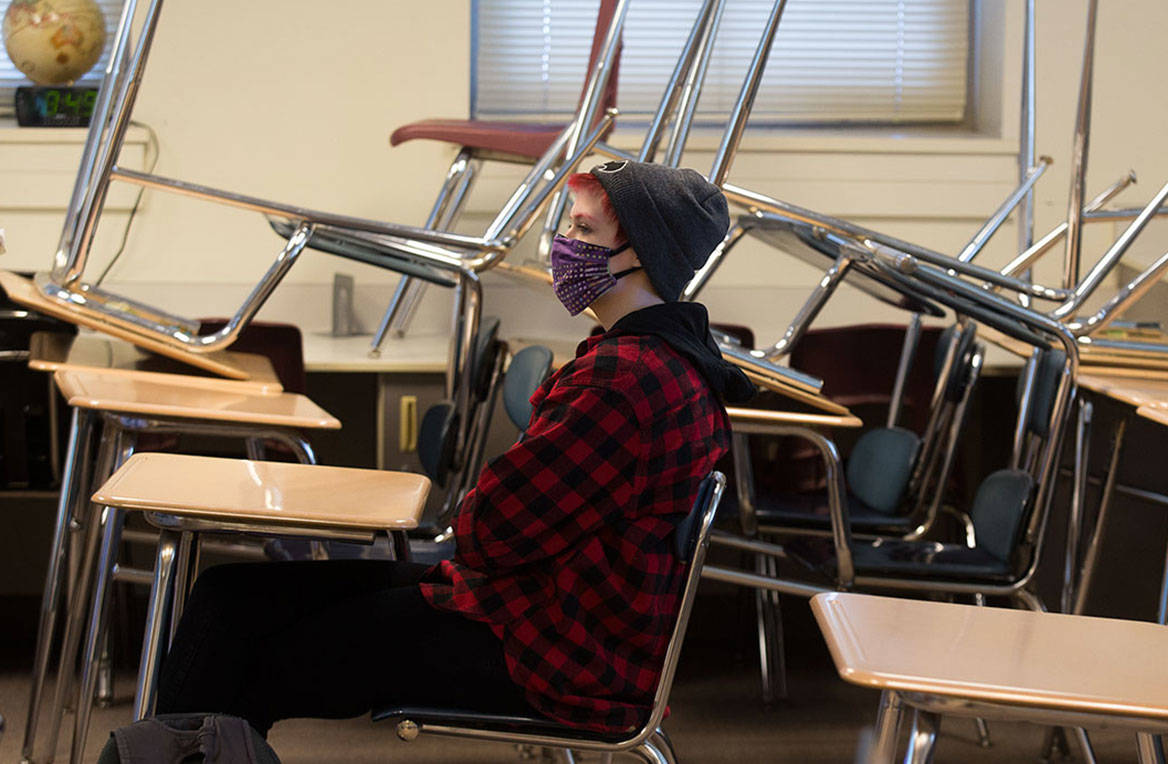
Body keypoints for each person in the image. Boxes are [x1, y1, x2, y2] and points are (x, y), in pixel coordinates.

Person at [152, 159, 754, 738]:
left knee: (243, 660)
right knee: (228, 596)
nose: (562, 245)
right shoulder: (653, 358)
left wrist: (481, 503)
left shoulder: (624, 381)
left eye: (583, 229)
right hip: (537, 612)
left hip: (550, 653)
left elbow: (485, 533)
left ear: (644, 256)